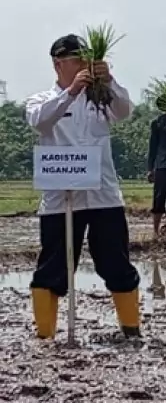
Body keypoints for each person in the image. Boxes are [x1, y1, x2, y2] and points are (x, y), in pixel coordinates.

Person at [26, 34, 141, 339]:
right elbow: (40, 121)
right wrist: (71, 91)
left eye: (86, 60)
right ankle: (46, 336)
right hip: (60, 197)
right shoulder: (41, 100)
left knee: (117, 264)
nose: (83, 66)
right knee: (52, 267)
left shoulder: (100, 98)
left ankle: (131, 329)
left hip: (103, 195)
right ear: (58, 64)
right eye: (76, 60)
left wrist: (110, 80)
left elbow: (124, 111)